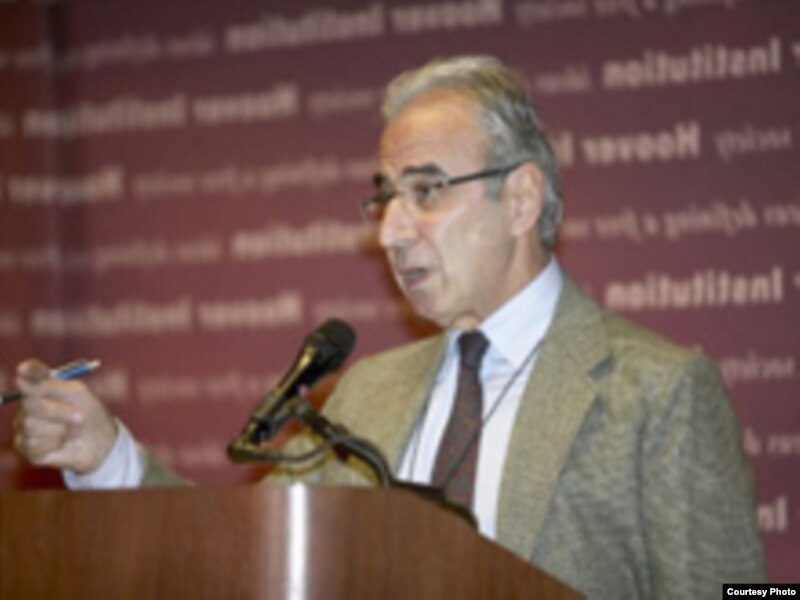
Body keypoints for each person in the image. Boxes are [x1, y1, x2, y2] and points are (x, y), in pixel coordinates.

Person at [13, 55, 764, 597]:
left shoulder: (659, 391)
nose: (391, 232)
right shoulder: (367, 392)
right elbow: (244, 553)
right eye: (385, 198)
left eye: (426, 192)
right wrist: (106, 456)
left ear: (521, 200)